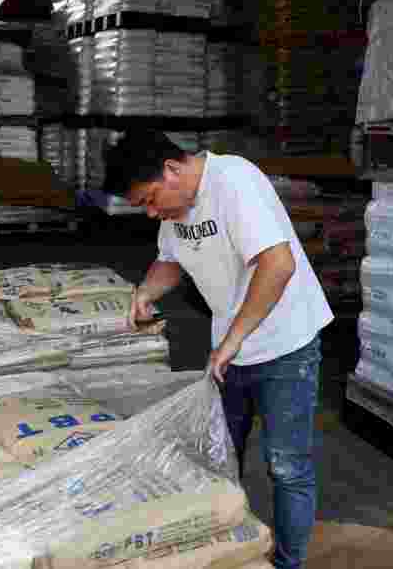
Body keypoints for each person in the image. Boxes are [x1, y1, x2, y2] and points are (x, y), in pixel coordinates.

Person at [103, 131, 333, 569]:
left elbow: (278, 264)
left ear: (172, 169)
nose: (153, 212)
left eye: (151, 199)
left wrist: (233, 338)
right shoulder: (176, 207)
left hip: (286, 345)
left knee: (287, 467)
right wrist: (147, 292)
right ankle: (232, 552)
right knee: (218, 459)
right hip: (230, 351)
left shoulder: (234, 182)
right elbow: (170, 259)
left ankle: (288, 563)